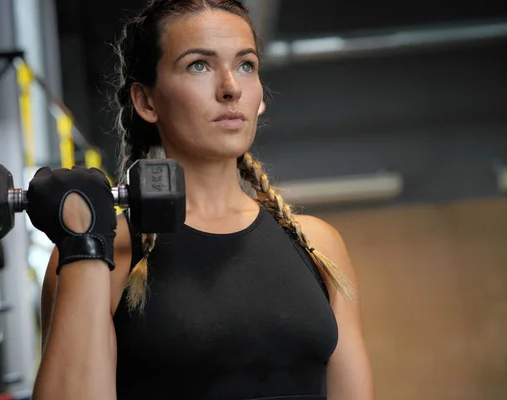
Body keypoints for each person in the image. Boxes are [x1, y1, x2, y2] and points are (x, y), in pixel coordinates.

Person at [29, 1, 374, 399]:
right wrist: (83, 248)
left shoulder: (318, 245)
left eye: (246, 65)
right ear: (146, 102)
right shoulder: (108, 254)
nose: (230, 87)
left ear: (259, 97)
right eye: (199, 65)